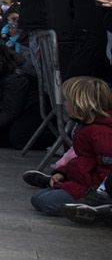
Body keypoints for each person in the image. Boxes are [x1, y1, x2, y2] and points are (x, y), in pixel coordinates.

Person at [27, 76, 112, 216]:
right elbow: (82, 162)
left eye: (68, 101)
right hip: (83, 183)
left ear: (81, 104)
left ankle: (97, 210)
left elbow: (106, 169)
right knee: (39, 198)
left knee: (44, 201)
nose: (65, 104)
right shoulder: (87, 128)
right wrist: (62, 173)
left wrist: (99, 194)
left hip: (91, 189)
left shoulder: (101, 133)